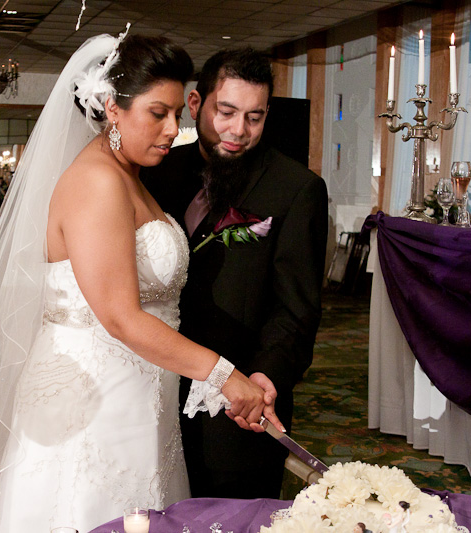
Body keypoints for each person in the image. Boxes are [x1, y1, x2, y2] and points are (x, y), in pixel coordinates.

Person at [0, 31, 281, 533]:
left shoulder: (130, 174)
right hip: (94, 399)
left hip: (137, 393)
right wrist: (224, 376)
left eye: (177, 113)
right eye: (157, 113)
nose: (174, 129)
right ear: (112, 108)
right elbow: (122, 317)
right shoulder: (97, 181)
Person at [142, 48, 329, 499]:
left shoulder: (296, 189)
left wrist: (267, 375)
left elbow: (296, 309)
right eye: (226, 112)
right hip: (149, 395)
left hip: (235, 408)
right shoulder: (154, 173)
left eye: (254, 117)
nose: (239, 130)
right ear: (195, 104)